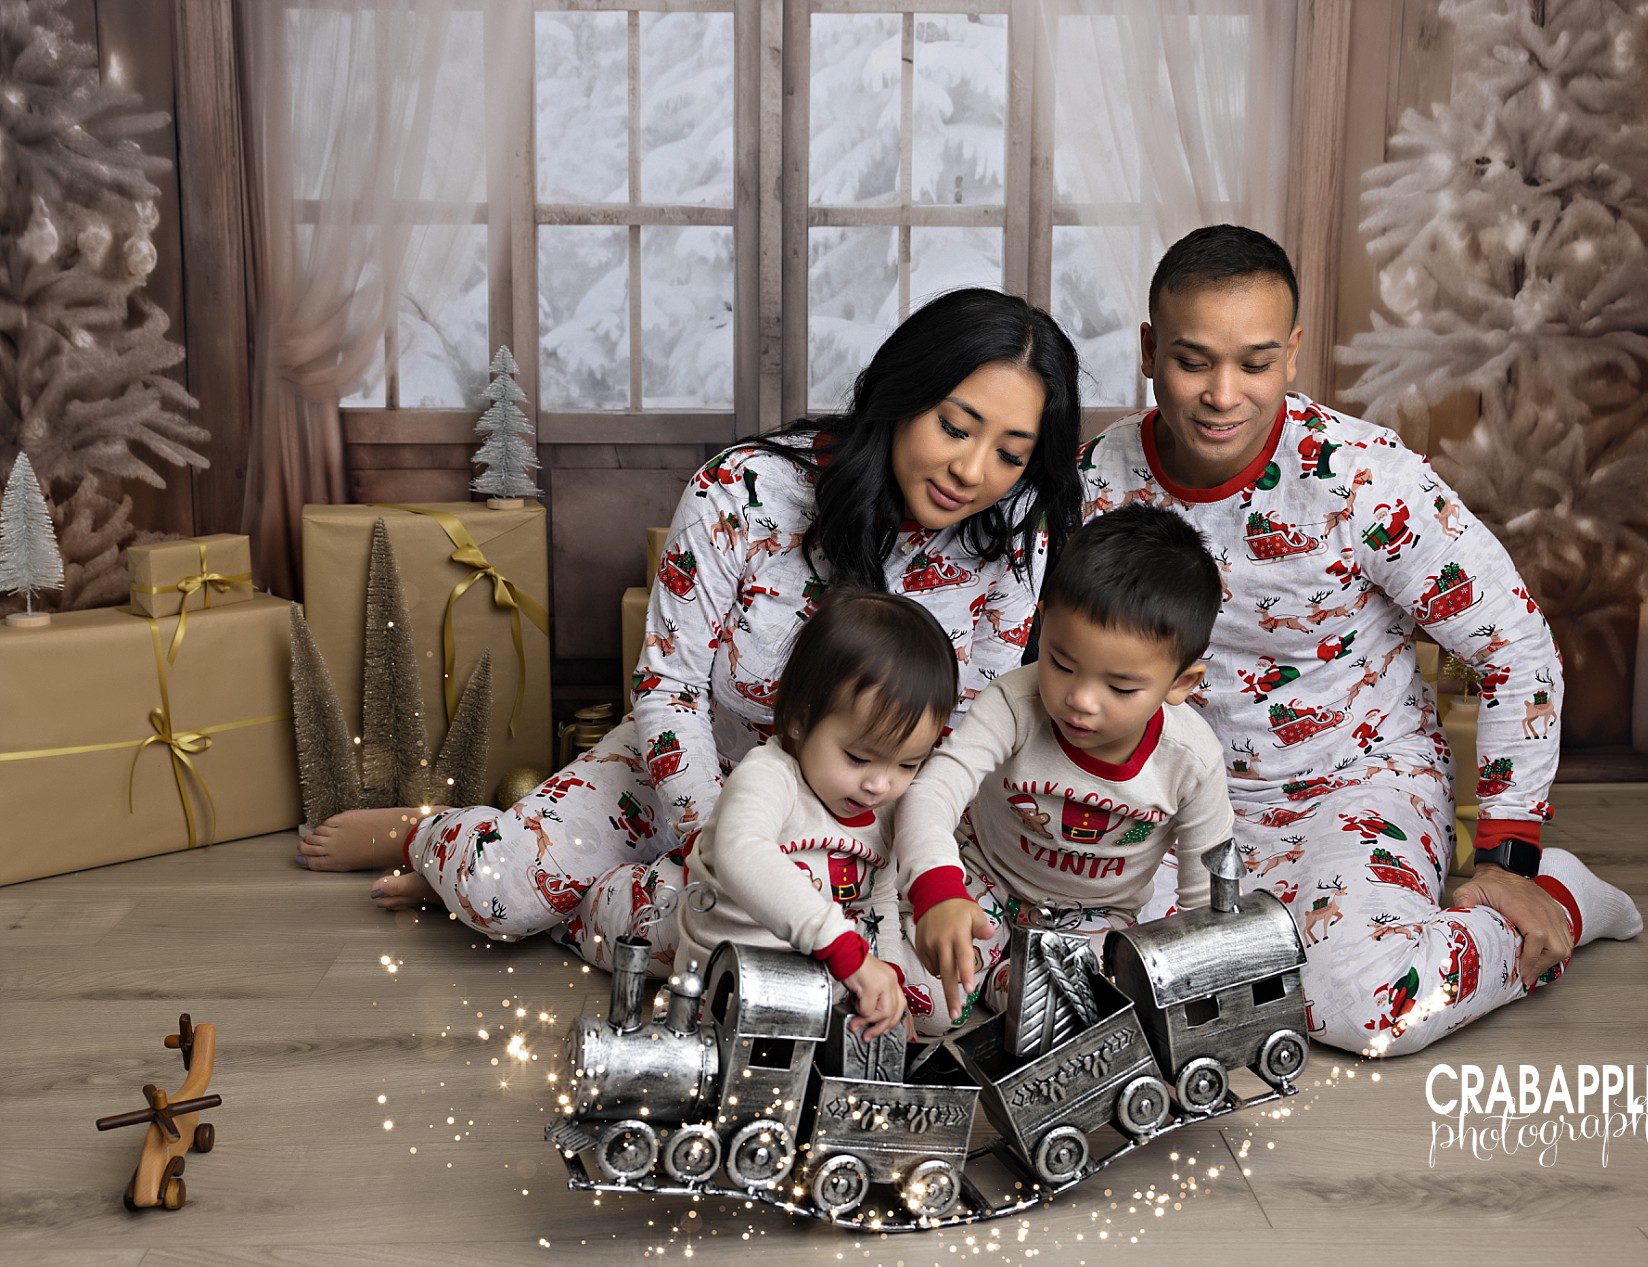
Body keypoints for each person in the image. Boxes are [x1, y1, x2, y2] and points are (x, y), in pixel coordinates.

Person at [295, 287, 1082, 972]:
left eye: (1010, 454)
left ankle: (581, 900)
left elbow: (958, 735)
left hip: (861, 806)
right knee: (505, 894)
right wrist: (721, 848)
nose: (973, 471)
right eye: (954, 427)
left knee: (813, 955)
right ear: (903, 394)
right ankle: (436, 840)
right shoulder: (745, 490)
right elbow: (669, 687)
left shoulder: (1011, 538)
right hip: (692, 771)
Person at [1077, 225, 1642, 1057]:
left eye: (1256, 363)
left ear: (1294, 353)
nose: (1222, 393)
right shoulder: (1099, 479)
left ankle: (1559, 901)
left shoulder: (1362, 477)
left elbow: (1515, 646)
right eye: (1193, 361)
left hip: (1354, 783)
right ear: (1150, 350)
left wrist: (1510, 858)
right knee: (1094, 979)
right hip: (1175, 798)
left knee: (1364, 1004)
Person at [893, 505, 1234, 1035]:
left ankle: (1012, 984)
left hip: (1092, 917)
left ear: (1181, 684)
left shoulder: (1190, 760)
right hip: (984, 878)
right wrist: (939, 891)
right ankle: (1001, 982)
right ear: (1043, 620)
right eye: (1060, 662)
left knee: (1103, 1013)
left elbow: (1203, 897)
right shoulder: (1014, 703)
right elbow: (933, 791)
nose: (1079, 700)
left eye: (1120, 688)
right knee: (928, 1008)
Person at [674, 590, 958, 1041]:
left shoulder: (881, 805)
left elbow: (876, 901)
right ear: (800, 722)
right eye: (858, 757)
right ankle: (613, 900)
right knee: (652, 916)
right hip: (730, 964)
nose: (879, 785)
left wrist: (887, 972)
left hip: (822, 965)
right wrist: (845, 950)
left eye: (907, 764)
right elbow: (740, 852)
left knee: (937, 1013)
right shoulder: (770, 776)